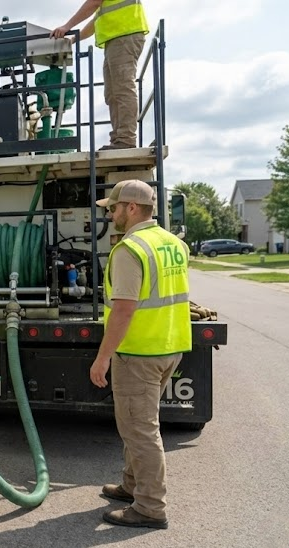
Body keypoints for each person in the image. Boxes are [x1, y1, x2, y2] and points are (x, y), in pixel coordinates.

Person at [92, 179, 191, 529]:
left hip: (139, 352)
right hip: (170, 346)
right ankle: (131, 485)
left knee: (139, 430)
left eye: (114, 208)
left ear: (132, 208)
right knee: (139, 424)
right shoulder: (174, 244)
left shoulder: (130, 249)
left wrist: (103, 356)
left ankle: (150, 506)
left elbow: (123, 309)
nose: (111, 214)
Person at [50, 0, 149, 150]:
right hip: (118, 38)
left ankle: (126, 140)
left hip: (124, 35)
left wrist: (67, 26)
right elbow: (96, 19)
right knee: (112, 93)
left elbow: (93, 3)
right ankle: (119, 139)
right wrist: (73, 39)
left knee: (122, 89)